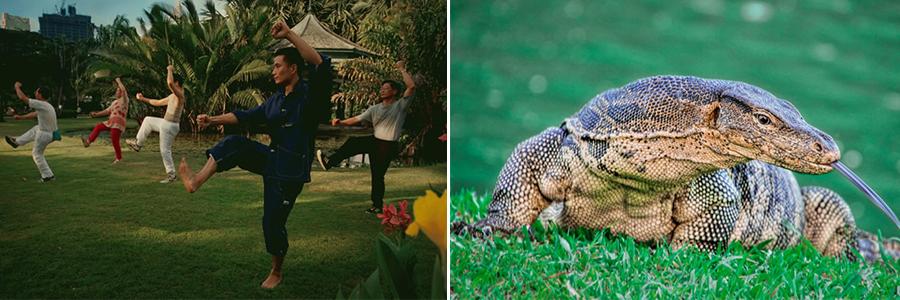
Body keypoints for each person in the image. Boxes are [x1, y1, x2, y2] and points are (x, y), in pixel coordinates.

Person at [177, 20, 332, 289]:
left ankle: (276, 271)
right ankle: (196, 181)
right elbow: (245, 116)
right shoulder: (276, 100)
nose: (273, 71)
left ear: (293, 68)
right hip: (271, 159)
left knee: (272, 223)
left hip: (290, 171)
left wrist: (288, 34)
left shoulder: (309, 96)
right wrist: (212, 120)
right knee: (235, 143)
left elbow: (319, 63)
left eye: (278, 66)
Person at [315, 60, 416, 214]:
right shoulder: (375, 109)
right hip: (375, 141)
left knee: (377, 175)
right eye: (381, 88)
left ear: (394, 92)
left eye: (386, 89)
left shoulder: (400, 106)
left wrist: (402, 69)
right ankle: (330, 162)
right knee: (355, 143)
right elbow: (357, 119)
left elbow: (411, 87)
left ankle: (377, 205)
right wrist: (340, 122)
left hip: (388, 145)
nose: (382, 91)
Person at [125, 66, 186, 183]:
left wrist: (169, 70)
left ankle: (172, 175)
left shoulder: (180, 95)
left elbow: (169, 83)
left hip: (170, 126)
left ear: (177, 83)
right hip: (166, 123)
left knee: (165, 150)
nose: (171, 85)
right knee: (148, 120)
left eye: (174, 82)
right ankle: (138, 144)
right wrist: (143, 98)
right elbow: (157, 102)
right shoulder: (172, 96)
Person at [4, 82, 59, 182]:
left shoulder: (41, 104)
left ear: (40, 95)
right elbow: (34, 114)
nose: (35, 93)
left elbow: (23, 98)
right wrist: (21, 117)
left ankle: (48, 176)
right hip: (48, 133)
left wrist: (16, 87)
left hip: (45, 134)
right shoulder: (46, 106)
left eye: (37, 91)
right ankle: (17, 142)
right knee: (36, 128)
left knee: (37, 154)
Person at [82, 78, 130, 164]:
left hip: (118, 123)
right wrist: (96, 114)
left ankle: (119, 158)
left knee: (114, 140)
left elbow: (124, 90)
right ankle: (88, 142)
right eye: (116, 91)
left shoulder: (124, 100)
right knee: (98, 126)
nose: (117, 92)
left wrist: (118, 81)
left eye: (118, 91)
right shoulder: (114, 102)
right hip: (111, 122)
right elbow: (107, 111)